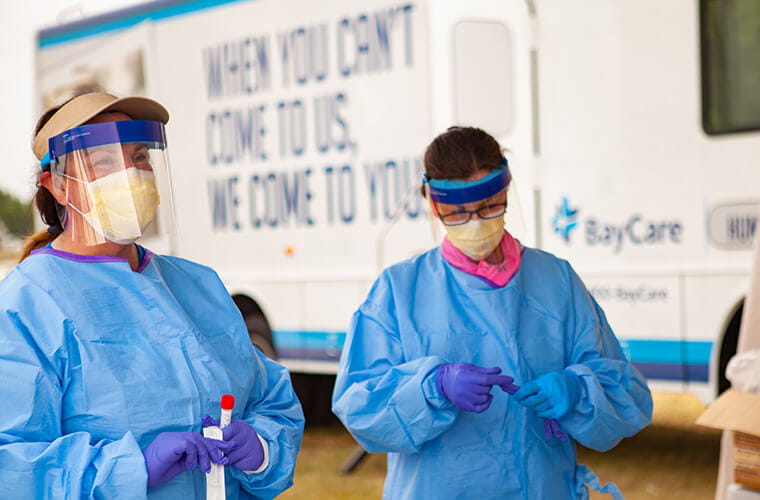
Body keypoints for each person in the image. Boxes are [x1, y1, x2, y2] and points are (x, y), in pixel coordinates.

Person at [0, 92, 304, 499]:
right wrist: (130, 470)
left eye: (139, 156)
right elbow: (13, 465)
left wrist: (263, 448)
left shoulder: (197, 285)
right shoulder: (26, 303)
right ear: (57, 185)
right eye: (104, 161)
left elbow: (271, 398)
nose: (130, 174)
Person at [332, 126, 653, 499]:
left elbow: (627, 393)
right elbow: (358, 406)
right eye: (457, 214)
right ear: (434, 206)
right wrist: (432, 387)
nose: (475, 224)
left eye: (488, 208)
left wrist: (576, 388)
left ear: (505, 192)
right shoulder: (399, 290)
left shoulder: (555, 281)